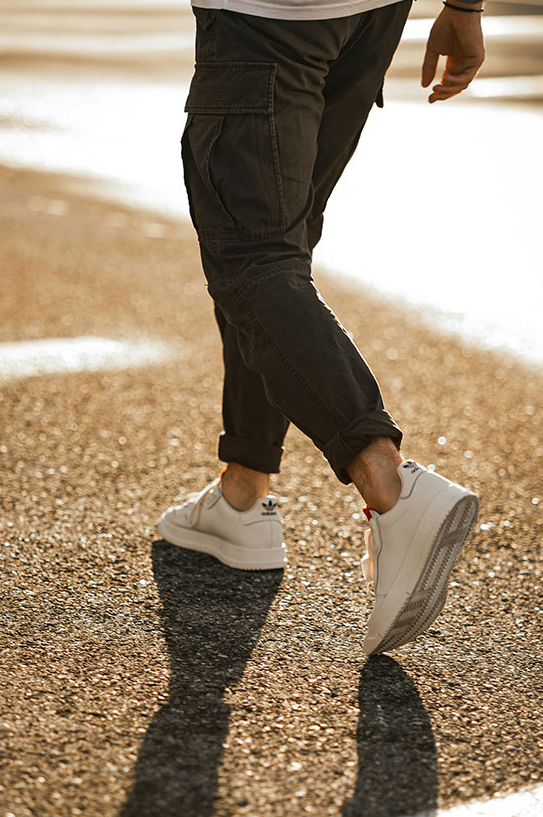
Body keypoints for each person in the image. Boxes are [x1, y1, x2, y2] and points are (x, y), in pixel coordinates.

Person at [158, 0, 484, 655]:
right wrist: (465, 6)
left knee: (253, 254)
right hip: (372, 13)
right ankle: (244, 495)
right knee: (276, 247)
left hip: (269, 15)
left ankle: (388, 481)